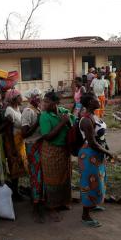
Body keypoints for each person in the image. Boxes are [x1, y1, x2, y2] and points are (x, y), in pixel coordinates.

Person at [78, 93, 114, 227]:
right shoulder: (86, 120)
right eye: (94, 99)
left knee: (98, 180)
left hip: (97, 153)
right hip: (89, 154)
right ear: (88, 103)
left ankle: (92, 205)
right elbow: (92, 142)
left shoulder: (94, 115)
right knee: (89, 183)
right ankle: (85, 215)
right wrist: (108, 152)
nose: (98, 100)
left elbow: (101, 137)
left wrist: (106, 148)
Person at [39, 92, 75, 222]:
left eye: (48, 102)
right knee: (52, 179)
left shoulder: (63, 111)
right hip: (51, 151)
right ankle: (52, 207)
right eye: (44, 101)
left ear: (56, 103)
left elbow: (73, 125)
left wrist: (68, 120)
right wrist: (62, 122)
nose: (44, 103)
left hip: (64, 150)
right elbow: (47, 136)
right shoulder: (44, 116)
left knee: (65, 177)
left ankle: (63, 202)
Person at [21, 88, 45, 223]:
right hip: (32, 146)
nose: (39, 99)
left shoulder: (38, 110)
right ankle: (36, 205)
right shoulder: (27, 111)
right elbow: (24, 134)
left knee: (41, 174)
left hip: (40, 145)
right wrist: (37, 122)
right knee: (36, 174)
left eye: (40, 97)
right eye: (37, 97)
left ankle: (39, 199)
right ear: (31, 98)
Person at [4, 89, 28, 201]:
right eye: (19, 96)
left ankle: (16, 190)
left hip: (19, 141)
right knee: (14, 167)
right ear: (14, 99)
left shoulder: (17, 108)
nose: (21, 98)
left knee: (19, 166)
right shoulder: (9, 111)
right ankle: (15, 193)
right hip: (13, 142)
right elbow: (8, 131)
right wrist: (13, 148)